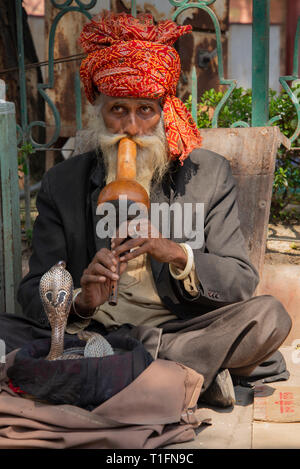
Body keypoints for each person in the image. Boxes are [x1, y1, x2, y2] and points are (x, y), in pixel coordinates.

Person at [1, 11, 292, 407]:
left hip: (180, 330)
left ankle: (123, 370)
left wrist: (176, 253)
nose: (132, 128)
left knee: (270, 317)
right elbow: (32, 293)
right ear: (98, 112)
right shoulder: (64, 183)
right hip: (92, 332)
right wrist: (81, 301)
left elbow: (240, 281)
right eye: (118, 109)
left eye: (145, 110)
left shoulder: (207, 174)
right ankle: (182, 377)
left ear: (164, 113)